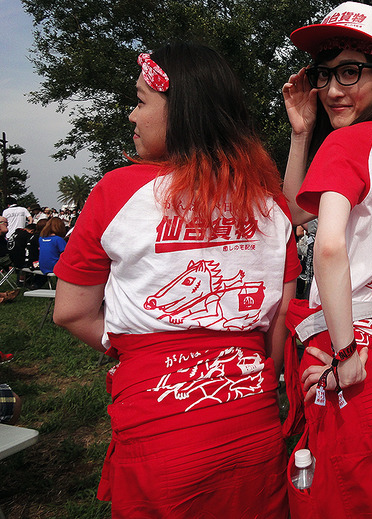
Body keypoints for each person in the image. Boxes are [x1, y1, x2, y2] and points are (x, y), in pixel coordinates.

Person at [53, 42, 299, 518]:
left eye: (141, 101)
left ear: (182, 110)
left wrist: (145, 355)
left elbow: (71, 311)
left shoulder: (116, 191)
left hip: (159, 423)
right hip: (253, 418)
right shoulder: (269, 200)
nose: (130, 116)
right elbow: (280, 320)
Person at [281, 2, 372, 517]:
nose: (334, 89)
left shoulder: (348, 142)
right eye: (325, 74)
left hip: (346, 358)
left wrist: (343, 355)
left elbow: (326, 242)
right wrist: (301, 133)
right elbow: (300, 214)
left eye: (351, 71)